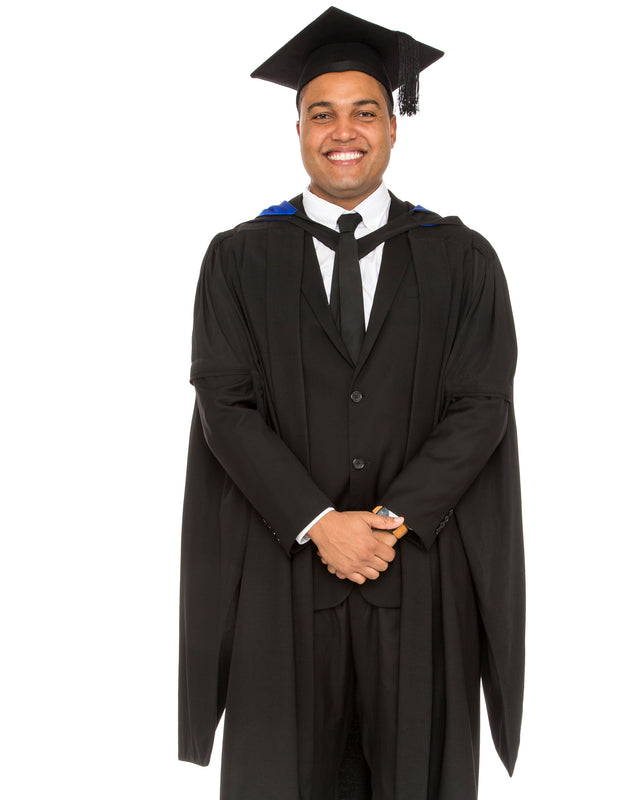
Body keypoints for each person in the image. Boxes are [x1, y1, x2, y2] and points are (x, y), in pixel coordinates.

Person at [178, 7, 525, 799]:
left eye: (365, 111)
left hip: (422, 582)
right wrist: (318, 522)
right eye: (321, 112)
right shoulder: (236, 259)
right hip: (280, 574)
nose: (345, 131)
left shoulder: (461, 257)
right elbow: (223, 403)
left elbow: (482, 402)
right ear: (296, 128)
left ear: (394, 127)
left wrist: (389, 520)